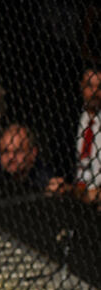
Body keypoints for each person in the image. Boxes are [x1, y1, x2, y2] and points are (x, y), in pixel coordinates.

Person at [48, 68, 101, 206]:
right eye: (90, 86)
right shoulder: (68, 120)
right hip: (70, 191)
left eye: (99, 87)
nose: (95, 92)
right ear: (81, 87)